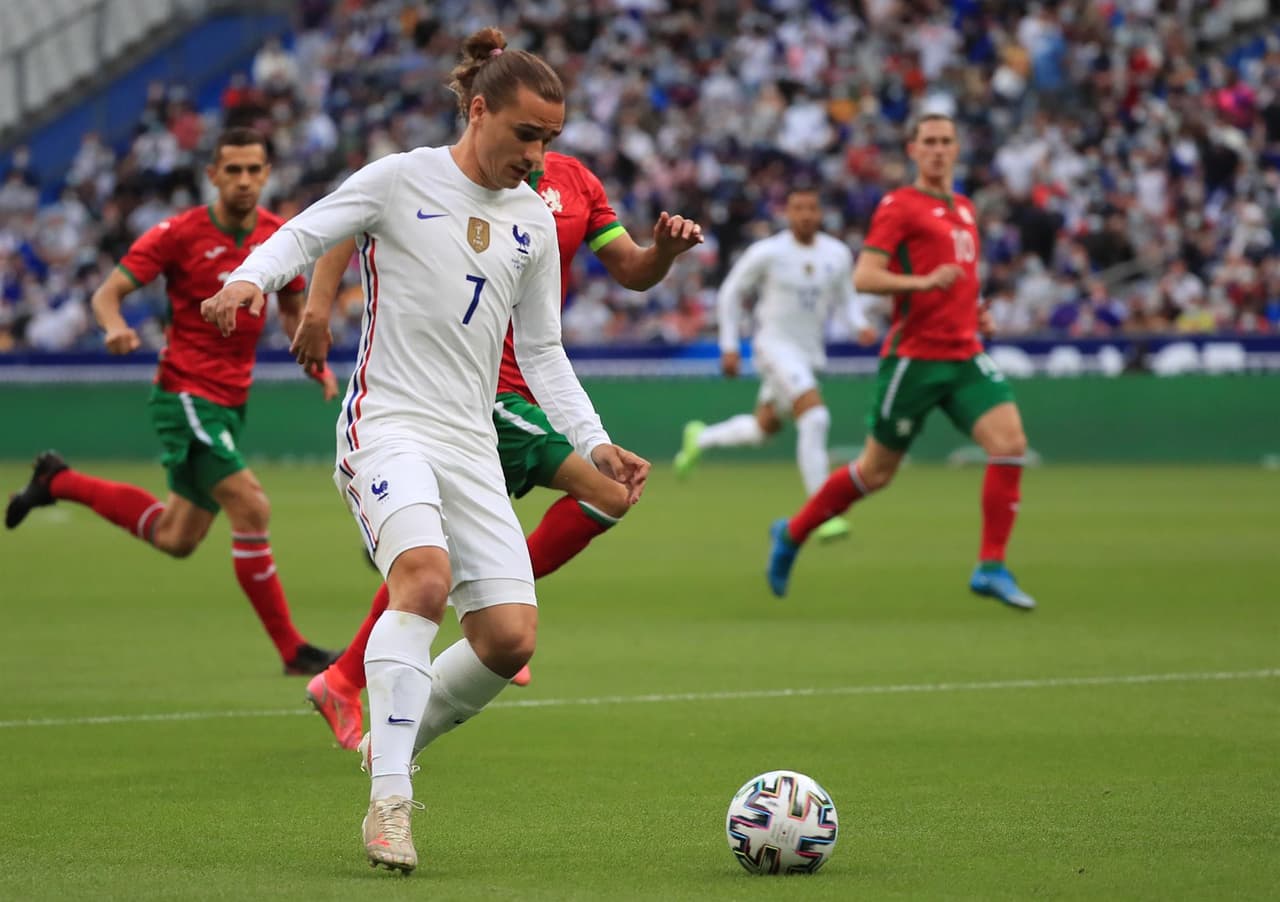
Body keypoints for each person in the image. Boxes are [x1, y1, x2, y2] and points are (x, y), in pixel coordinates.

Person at [200, 28, 649, 875]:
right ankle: (391, 803)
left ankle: (389, 746)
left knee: (510, 637)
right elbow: (306, 231)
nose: (538, 155)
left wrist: (595, 442)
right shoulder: (401, 177)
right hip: (388, 424)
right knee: (424, 578)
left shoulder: (532, 221)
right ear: (478, 111)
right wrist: (250, 280)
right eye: (525, 134)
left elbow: (544, 354)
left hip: (471, 436)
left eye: (550, 139)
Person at [303, 150, 701, 745]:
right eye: (525, 126)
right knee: (606, 495)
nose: (533, 142)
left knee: (445, 560)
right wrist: (317, 307)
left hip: (530, 390)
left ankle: (347, 674)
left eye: (545, 130)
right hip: (474, 390)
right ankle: (467, 621)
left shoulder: (577, 183)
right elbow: (351, 219)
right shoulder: (455, 172)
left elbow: (633, 270)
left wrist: (665, 252)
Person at [4, 128, 341, 675]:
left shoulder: (280, 237)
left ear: (267, 174)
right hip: (185, 393)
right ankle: (293, 650)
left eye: (254, 170)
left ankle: (57, 480)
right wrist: (114, 327)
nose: (244, 180)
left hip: (231, 402)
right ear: (212, 175)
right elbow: (106, 293)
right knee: (253, 506)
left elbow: (290, 309)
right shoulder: (178, 234)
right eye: (232, 170)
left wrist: (315, 364)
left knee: (176, 537)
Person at [766, 113, 1036, 610]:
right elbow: (866, 277)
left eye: (946, 141)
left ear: (957, 149)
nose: (937, 150)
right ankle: (793, 533)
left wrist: (976, 314)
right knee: (875, 472)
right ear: (912, 150)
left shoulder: (965, 209)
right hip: (916, 359)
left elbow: (960, 281)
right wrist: (920, 284)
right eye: (928, 141)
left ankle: (991, 567)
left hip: (964, 354)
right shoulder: (899, 206)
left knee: (1010, 444)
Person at [673, 187, 873, 542]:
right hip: (773, 347)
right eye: (799, 208)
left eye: (812, 208)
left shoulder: (837, 254)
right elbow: (731, 292)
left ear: (820, 213)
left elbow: (846, 299)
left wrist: (860, 325)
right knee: (815, 416)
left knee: (764, 429)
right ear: (788, 213)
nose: (806, 215)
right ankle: (822, 511)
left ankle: (700, 437)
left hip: (808, 354)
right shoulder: (768, 252)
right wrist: (730, 345)